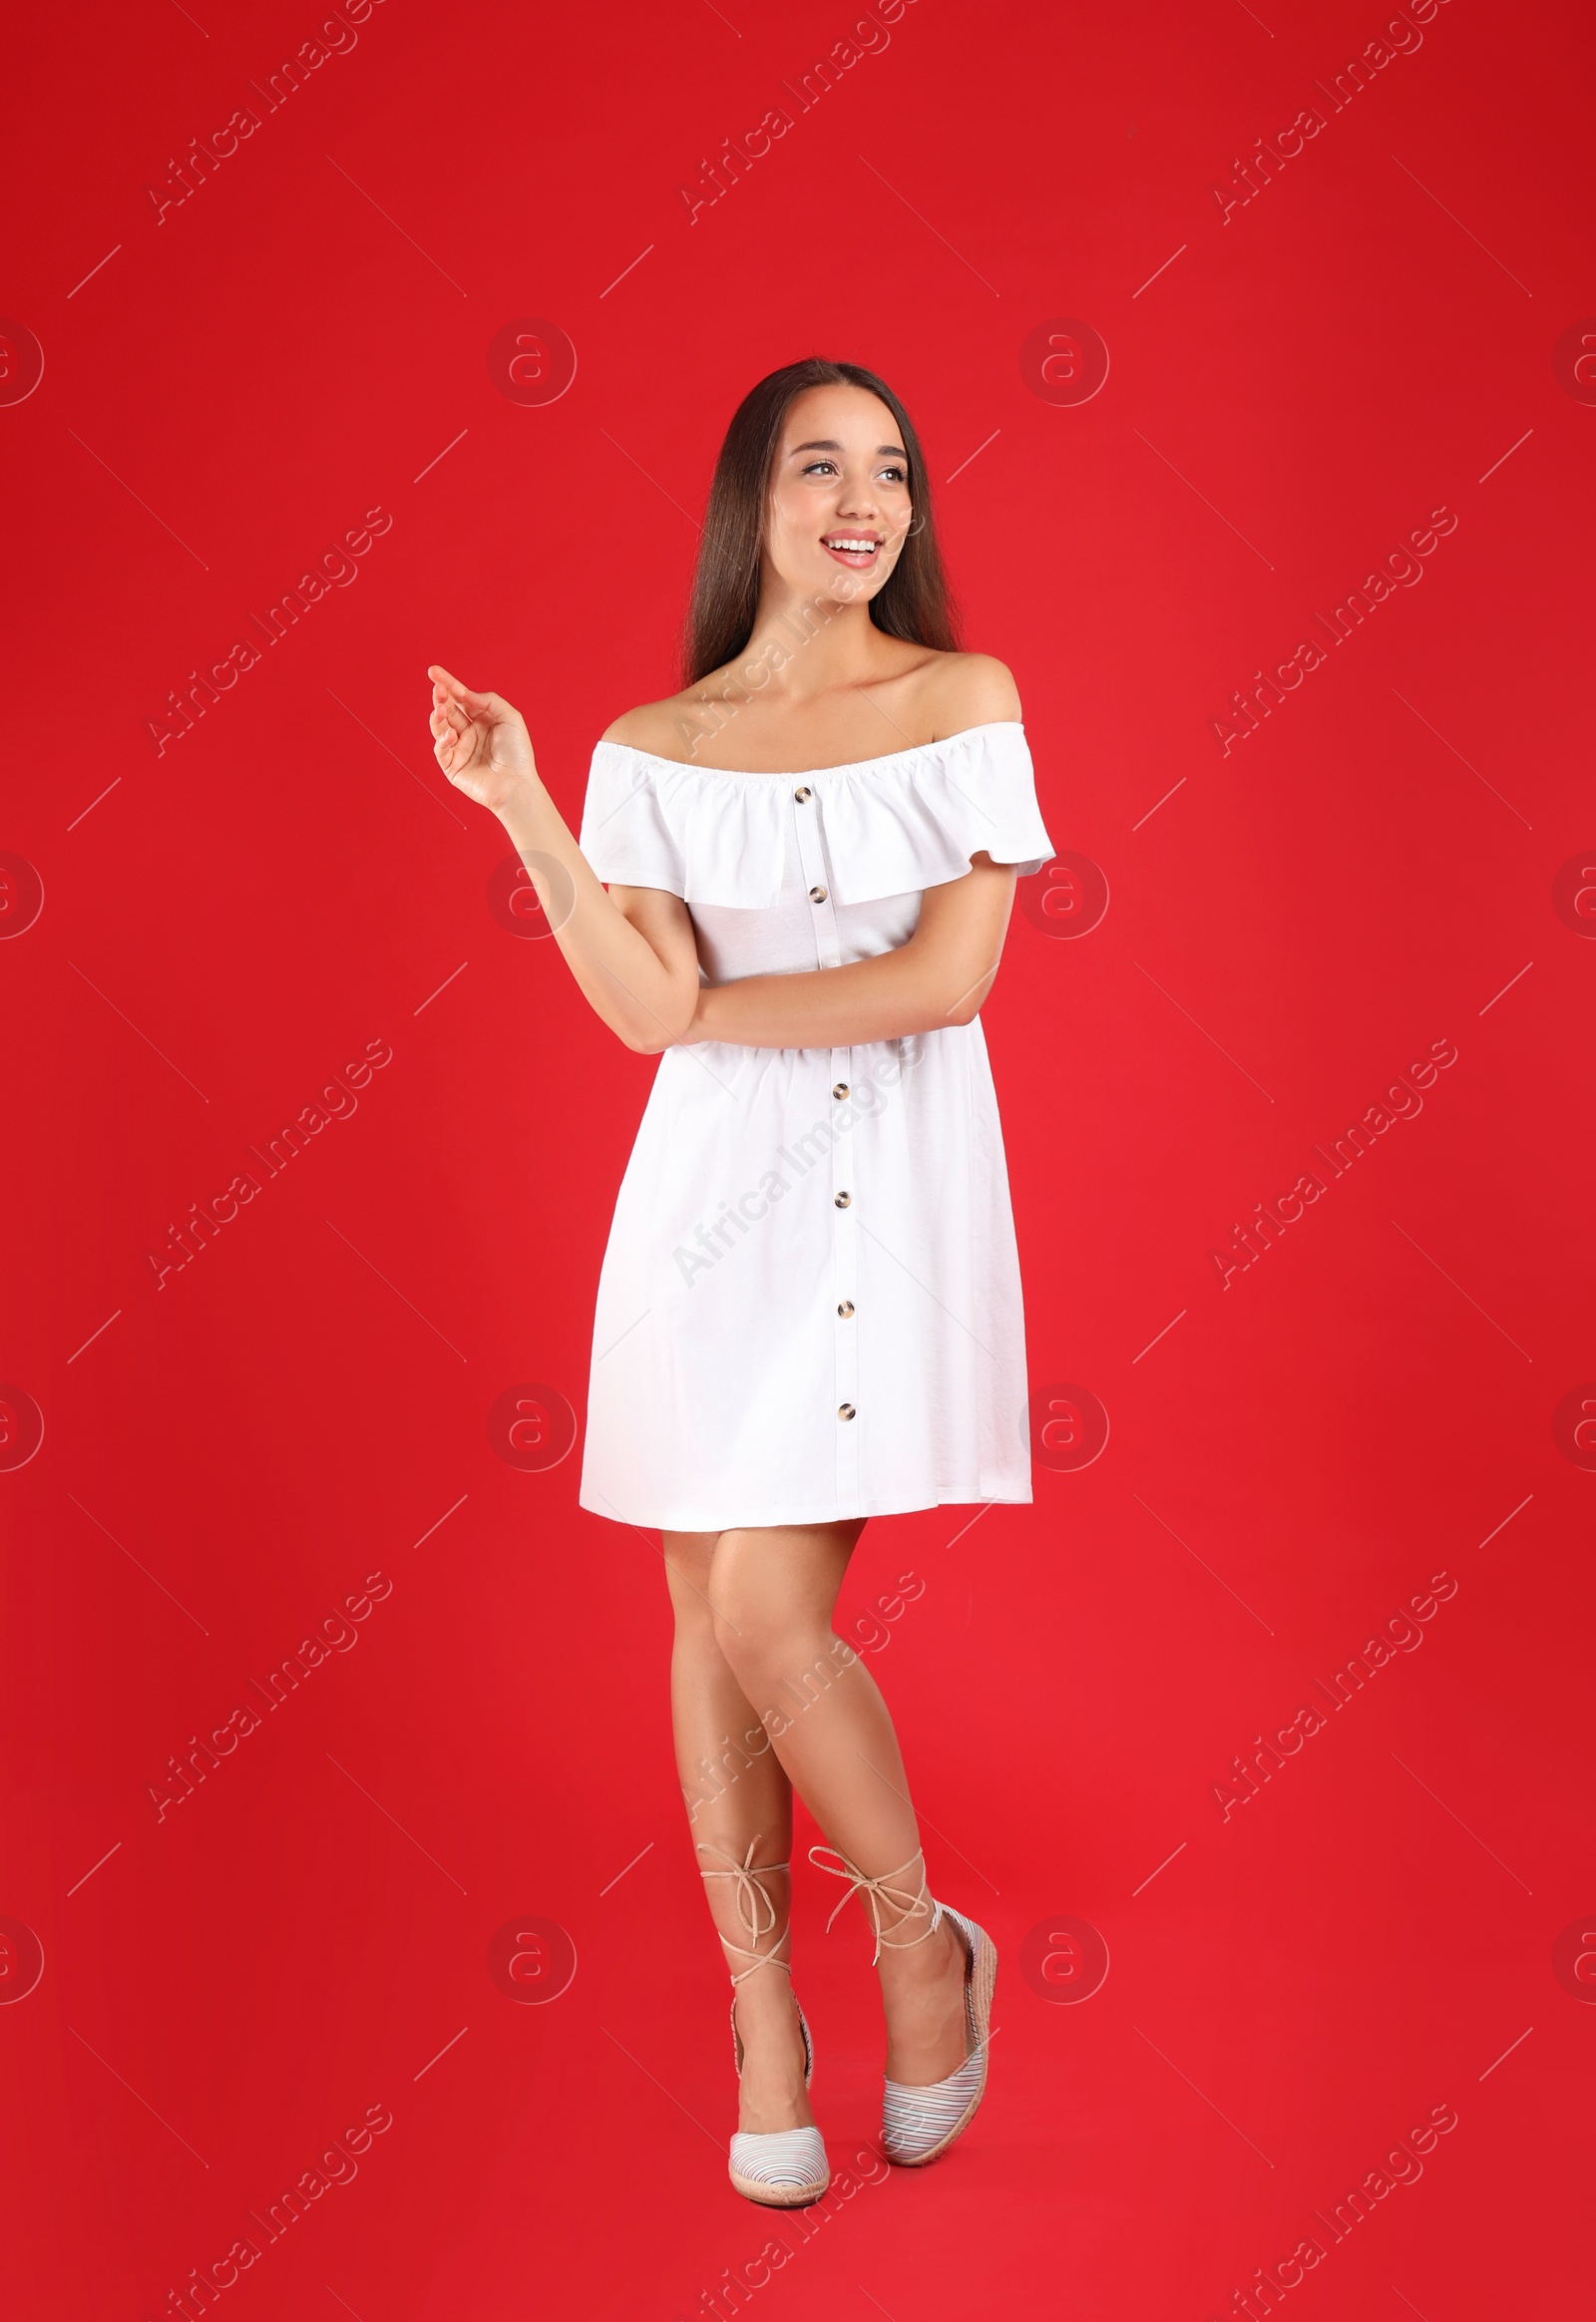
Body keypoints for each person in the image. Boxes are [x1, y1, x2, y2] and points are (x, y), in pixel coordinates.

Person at [427, 356, 1053, 2206]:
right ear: (750, 502)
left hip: (877, 1202)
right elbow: (643, 1019)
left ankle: (921, 1951)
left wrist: (722, 1014)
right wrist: (528, 805)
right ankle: (764, 2028)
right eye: (820, 467)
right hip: (704, 1216)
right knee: (702, 1620)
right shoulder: (656, 745)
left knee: (774, 1620)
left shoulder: (964, 701)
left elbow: (950, 984)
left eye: (893, 472)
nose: (865, 501)